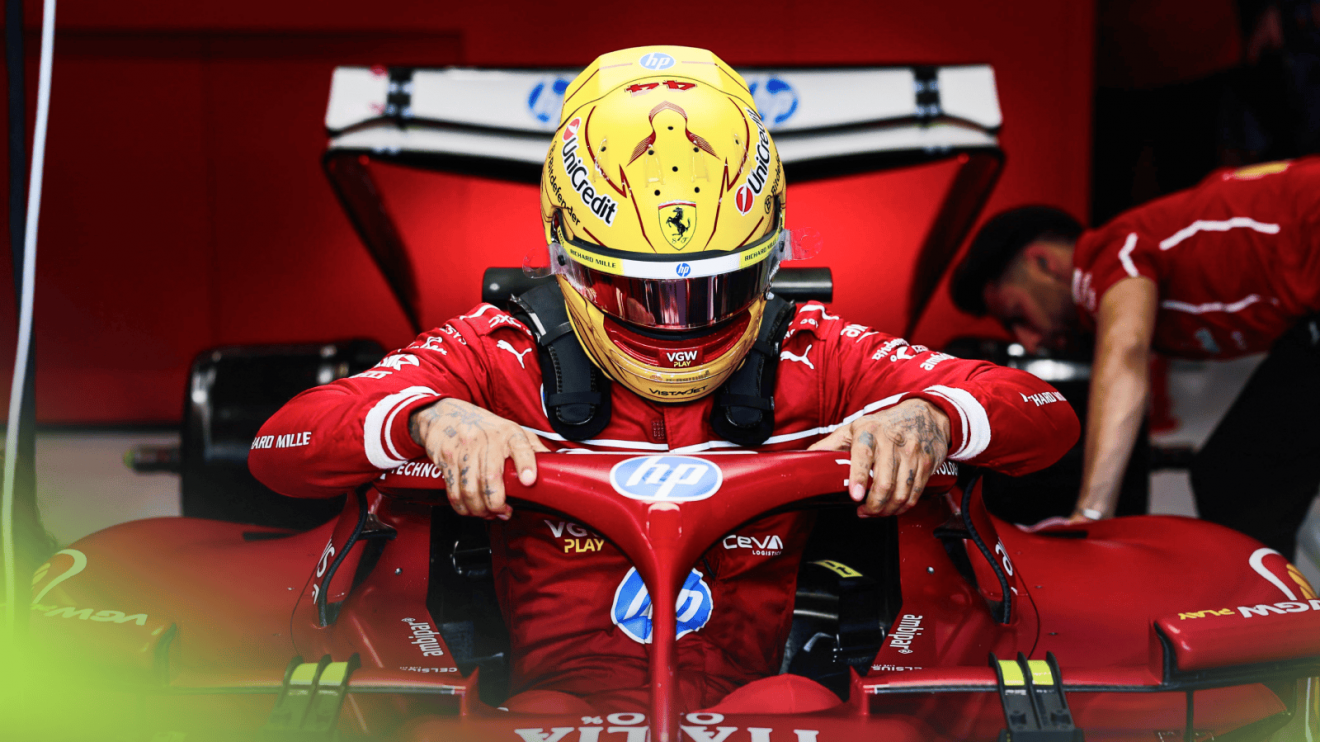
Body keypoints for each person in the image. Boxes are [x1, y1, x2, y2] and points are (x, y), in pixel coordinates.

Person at [251, 46, 1078, 713]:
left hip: (760, 703)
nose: (680, 323)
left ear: (771, 258)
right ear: (566, 259)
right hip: (555, 705)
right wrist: (428, 419)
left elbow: (1043, 412)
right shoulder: (497, 352)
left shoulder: (814, 348)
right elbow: (282, 441)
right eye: (647, 292)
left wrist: (933, 416)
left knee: (793, 706)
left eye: (714, 288)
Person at [950, 157, 1320, 557]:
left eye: (1017, 317)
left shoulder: (1108, 253)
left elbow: (1125, 351)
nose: (1032, 341)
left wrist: (1090, 514)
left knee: (1239, 480)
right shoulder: (1161, 259)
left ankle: (1277, 614)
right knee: (1236, 477)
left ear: (1043, 264)